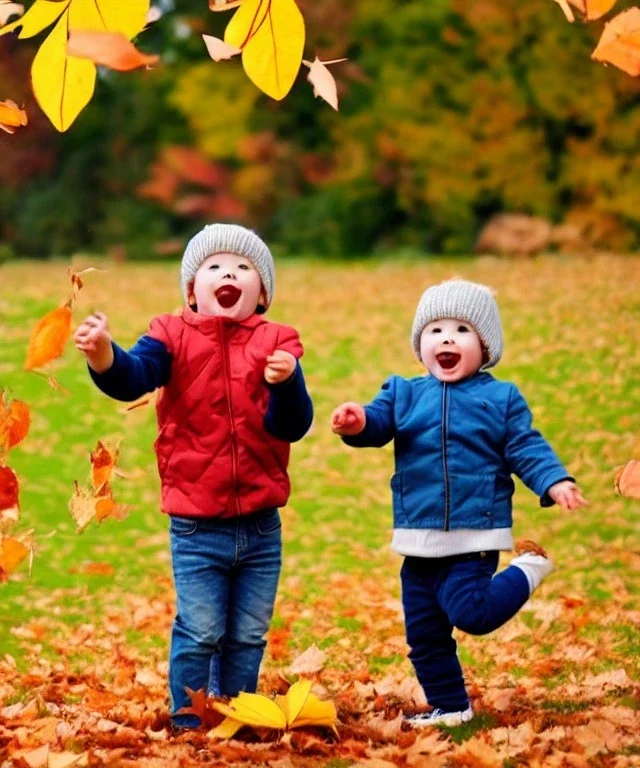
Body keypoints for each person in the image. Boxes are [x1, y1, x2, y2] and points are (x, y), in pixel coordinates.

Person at [74, 224, 313, 729]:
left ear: (262, 291)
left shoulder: (278, 343)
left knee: (248, 633)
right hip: (195, 525)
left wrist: (289, 382)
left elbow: (292, 425)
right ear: (191, 290)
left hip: (261, 524)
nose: (229, 272)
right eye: (214, 266)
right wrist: (103, 355)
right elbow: (135, 375)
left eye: (244, 267)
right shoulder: (169, 335)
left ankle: (235, 714)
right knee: (202, 629)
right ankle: (188, 720)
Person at [331, 279, 587, 727]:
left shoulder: (500, 399)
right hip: (418, 538)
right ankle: (452, 707)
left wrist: (553, 481)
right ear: (420, 346)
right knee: (425, 635)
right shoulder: (403, 393)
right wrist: (356, 422)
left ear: (485, 347)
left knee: (473, 613)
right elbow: (375, 425)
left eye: (462, 330)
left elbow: (525, 447)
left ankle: (529, 567)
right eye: (435, 330)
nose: (447, 338)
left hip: (474, 534)